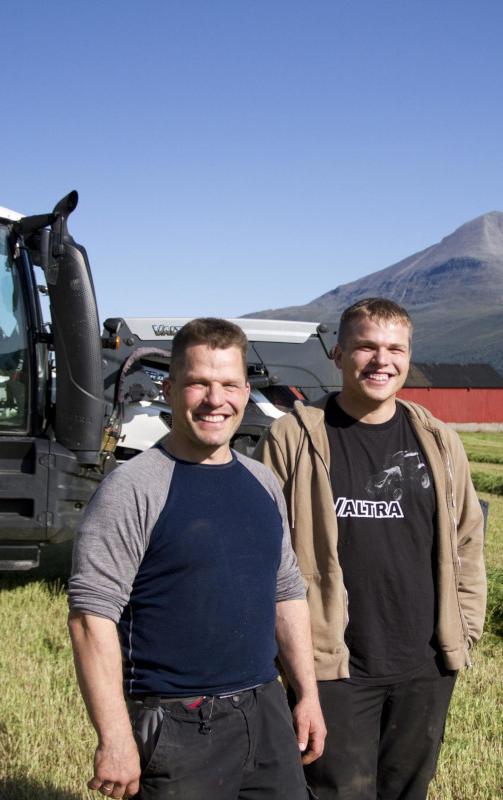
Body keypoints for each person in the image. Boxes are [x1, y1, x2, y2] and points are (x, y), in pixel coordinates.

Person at [68, 317, 325, 799]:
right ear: (168, 390)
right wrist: (116, 736)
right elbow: (89, 618)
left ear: (246, 392)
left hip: (266, 709)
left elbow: (286, 592)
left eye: (228, 384)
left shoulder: (262, 482)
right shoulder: (134, 488)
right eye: (198, 384)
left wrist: (307, 694)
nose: (215, 399)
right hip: (178, 723)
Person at [254, 298, 486, 800]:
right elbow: (264, 553)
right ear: (338, 354)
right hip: (333, 665)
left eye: (394, 349)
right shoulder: (293, 436)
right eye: (366, 347)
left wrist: (464, 632)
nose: (382, 360)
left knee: (408, 791)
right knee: (337, 791)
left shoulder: (438, 439)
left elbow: (467, 538)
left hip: (425, 664)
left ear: (408, 357)